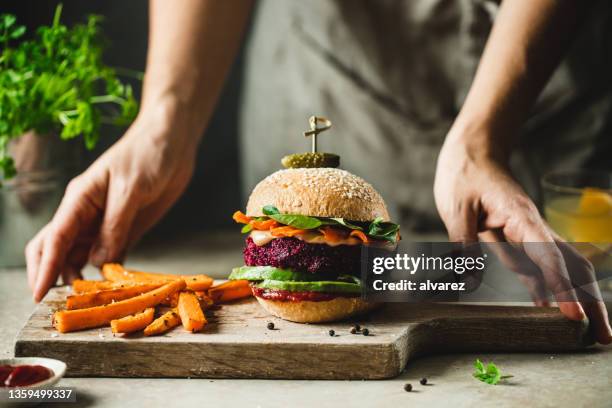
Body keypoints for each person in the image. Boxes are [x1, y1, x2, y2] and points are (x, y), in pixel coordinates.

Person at [25, 0, 612, 343]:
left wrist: (484, 138)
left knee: (546, 284)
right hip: (333, 65)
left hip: (535, 93)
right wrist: (163, 120)